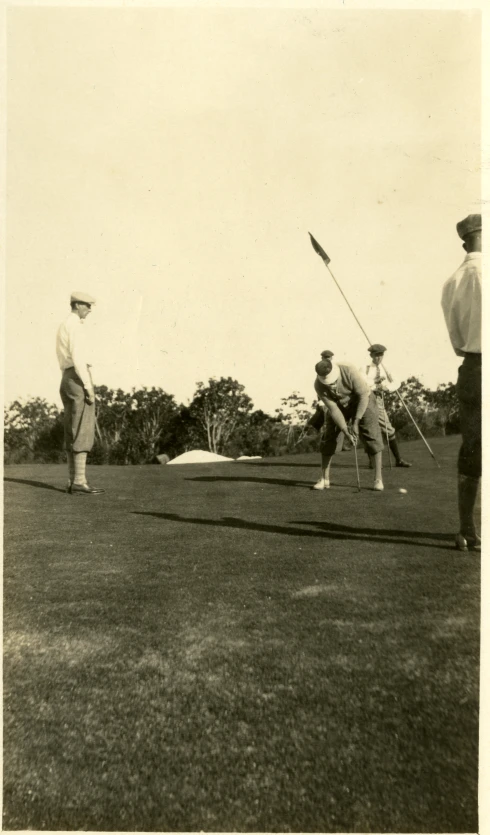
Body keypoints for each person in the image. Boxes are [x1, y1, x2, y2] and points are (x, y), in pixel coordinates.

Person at [441, 213, 481, 552]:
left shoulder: (452, 281)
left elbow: (456, 342)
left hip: (472, 366)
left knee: (473, 447)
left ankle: (468, 529)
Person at [308, 358, 385, 491]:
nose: (331, 385)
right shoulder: (318, 385)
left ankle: (378, 479)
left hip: (363, 400)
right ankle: (324, 478)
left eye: (332, 381)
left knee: (372, 435)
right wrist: (346, 431)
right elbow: (333, 409)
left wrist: (356, 421)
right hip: (339, 406)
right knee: (329, 437)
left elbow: (363, 396)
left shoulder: (349, 370)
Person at [56, 291, 105, 494]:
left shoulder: (64, 324)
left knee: (72, 427)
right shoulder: (74, 325)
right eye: (86, 305)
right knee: (82, 428)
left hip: (67, 377)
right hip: (77, 376)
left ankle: (72, 480)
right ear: (77, 305)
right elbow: (78, 358)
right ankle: (79, 480)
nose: (89, 309)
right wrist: (88, 386)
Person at [362, 344, 412, 468]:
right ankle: (372, 461)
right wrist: (375, 383)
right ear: (371, 355)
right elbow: (362, 383)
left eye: (381, 355)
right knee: (369, 429)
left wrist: (387, 387)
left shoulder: (386, 368)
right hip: (366, 399)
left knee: (388, 429)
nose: (379, 358)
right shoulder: (365, 368)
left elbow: (397, 382)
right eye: (376, 355)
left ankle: (398, 460)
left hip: (378, 399)